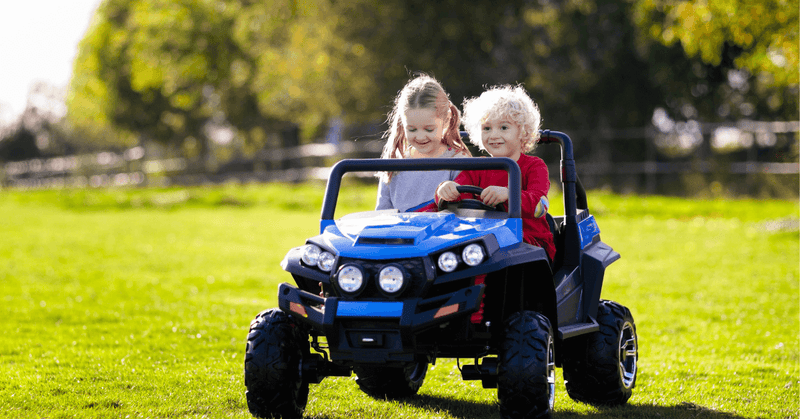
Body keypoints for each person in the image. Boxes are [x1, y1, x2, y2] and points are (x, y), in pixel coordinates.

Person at [436, 85, 556, 260]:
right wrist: (446, 190)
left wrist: (510, 195)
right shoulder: (476, 167)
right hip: (482, 239)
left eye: (504, 128)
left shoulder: (534, 166)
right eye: (486, 128)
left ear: (523, 132)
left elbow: (540, 206)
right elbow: (458, 192)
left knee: (497, 248)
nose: (493, 135)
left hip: (529, 241)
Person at [375, 74, 472, 212]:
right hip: (400, 233)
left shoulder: (458, 162)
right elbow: (382, 214)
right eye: (412, 129)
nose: (420, 136)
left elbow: (467, 213)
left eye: (429, 129)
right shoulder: (394, 163)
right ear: (403, 125)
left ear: (445, 121)